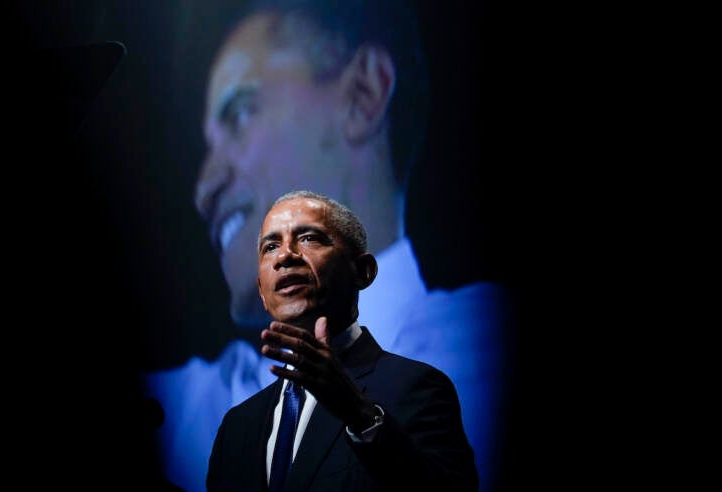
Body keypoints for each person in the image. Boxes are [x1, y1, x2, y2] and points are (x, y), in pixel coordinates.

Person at [142, 1, 514, 491]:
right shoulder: (220, 421)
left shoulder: (475, 350)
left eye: (239, 112)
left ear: (363, 93)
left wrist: (359, 415)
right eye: (269, 247)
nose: (204, 187)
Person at [206, 189, 478, 491]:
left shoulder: (417, 388)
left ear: (363, 271)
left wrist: (359, 414)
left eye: (309, 238)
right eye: (271, 246)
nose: (285, 256)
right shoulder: (237, 426)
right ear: (262, 291)